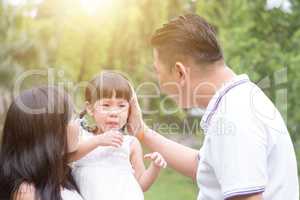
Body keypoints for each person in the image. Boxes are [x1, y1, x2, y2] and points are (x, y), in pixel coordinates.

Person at [127, 14, 299, 200]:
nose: (159, 84)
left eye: (158, 72)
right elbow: (204, 167)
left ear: (179, 72)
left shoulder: (234, 115)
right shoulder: (240, 99)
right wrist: (141, 131)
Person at [69, 72, 167, 200]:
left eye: (121, 106)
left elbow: (142, 184)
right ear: (90, 108)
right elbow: (68, 157)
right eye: (106, 105)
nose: (114, 112)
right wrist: (98, 141)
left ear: (129, 110)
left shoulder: (130, 143)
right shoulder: (81, 136)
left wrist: (155, 167)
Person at [0, 86, 83, 200]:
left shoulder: (60, 174)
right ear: (52, 133)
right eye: (73, 117)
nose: (80, 124)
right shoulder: (27, 193)